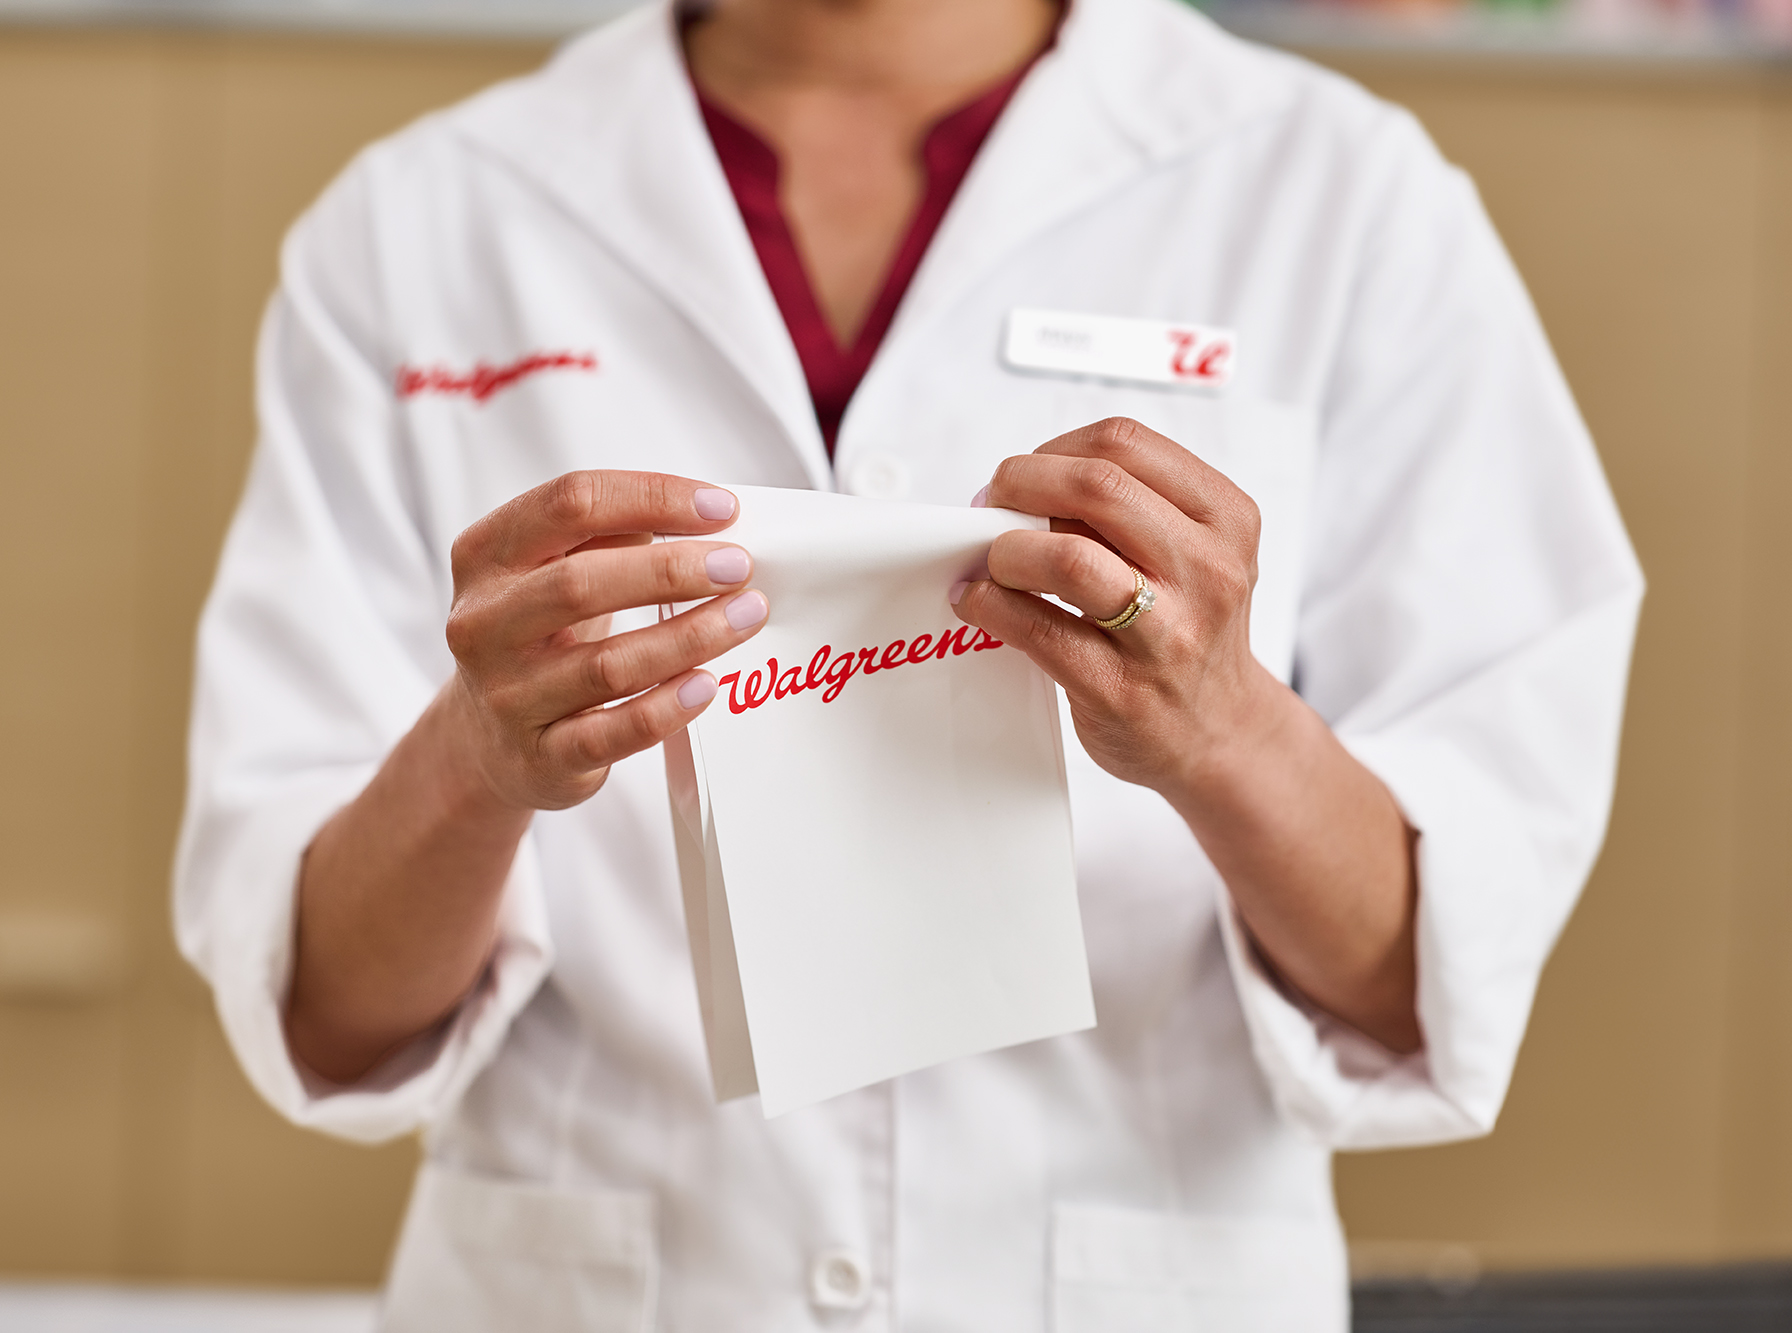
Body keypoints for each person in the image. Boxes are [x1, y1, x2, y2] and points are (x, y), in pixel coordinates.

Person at [174, 0, 1642, 1326]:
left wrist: (1226, 731)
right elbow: (326, 1012)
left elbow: (1430, 981)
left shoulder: (1339, 197)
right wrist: (474, 765)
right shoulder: (423, 220)